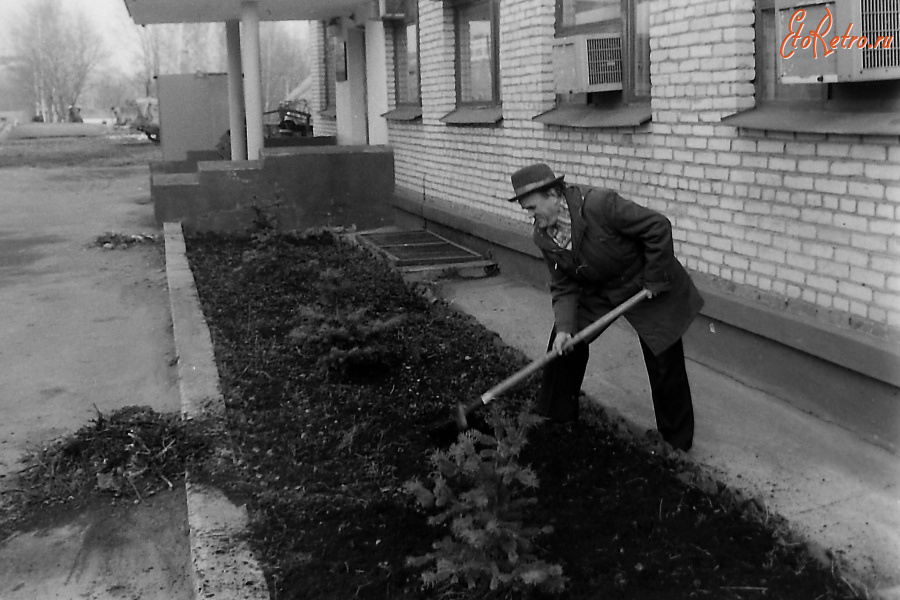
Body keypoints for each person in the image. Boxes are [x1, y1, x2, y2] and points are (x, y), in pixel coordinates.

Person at [508, 163, 704, 451]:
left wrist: (654, 278)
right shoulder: (543, 236)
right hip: (600, 289)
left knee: (664, 360)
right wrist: (565, 328)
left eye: (532, 207)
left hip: (644, 280)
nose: (532, 216)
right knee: (563, 344)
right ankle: (555, 419)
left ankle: (676, 443)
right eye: (526, 210)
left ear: (552, 194)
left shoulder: (600, 204)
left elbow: (657, 226)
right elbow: (563, 285)